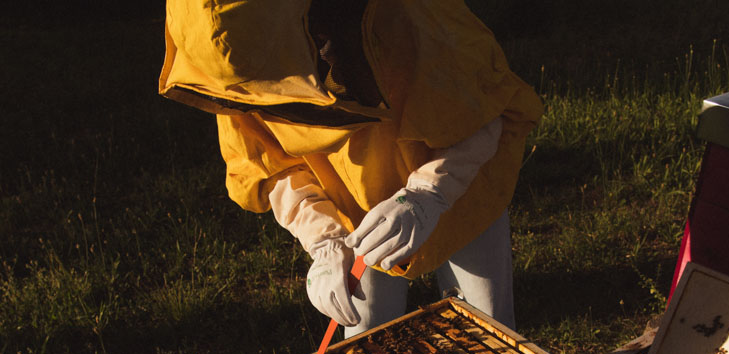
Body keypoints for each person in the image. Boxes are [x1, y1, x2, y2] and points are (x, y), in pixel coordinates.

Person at [159, 0, 542, 336]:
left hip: (461, 185)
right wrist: (323, 238)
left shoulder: (408, 17)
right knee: (364, 338)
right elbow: (267, 162)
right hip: (351, 212)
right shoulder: (220, 57)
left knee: (488, 329)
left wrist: (428, 194)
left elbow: (484, 111)